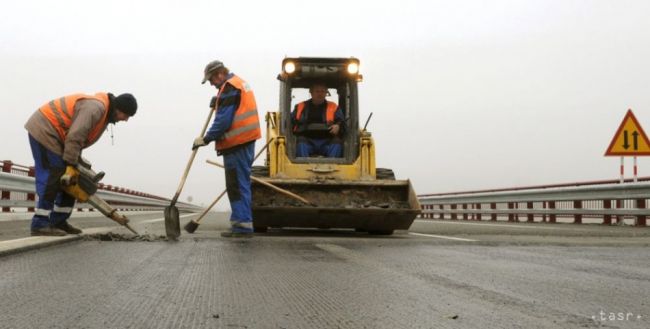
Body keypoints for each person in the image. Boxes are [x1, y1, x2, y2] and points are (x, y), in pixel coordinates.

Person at [24, 92, 137, 236]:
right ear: (119, 109)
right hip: (45, 129)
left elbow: (80, 138)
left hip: (58, 137)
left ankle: (58, 221)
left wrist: (76, 163)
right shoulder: (95, 109)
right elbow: (76, 135)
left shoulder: (105, 115)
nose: (125, 120)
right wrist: (71, 162)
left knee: (72, 179)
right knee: (55, 173)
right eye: (126, 116)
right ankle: (40, 224)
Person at [192, 60, 261, 238]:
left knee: (236, 185)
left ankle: (242, 226)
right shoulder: (236, 83)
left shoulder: (229, 87)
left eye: (211, 80)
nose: (211, 84)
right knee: (239, 184)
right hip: (244, 141)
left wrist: (206, 138)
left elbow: (223, 121)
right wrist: (218, 102)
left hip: (236, 143)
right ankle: (242, 222)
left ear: (220, 74)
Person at [291, 82, 345, 157]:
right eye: (317, 91)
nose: (320, 94)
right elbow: (291, 123)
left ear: (326, 93)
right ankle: (304, 165)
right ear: (311, 92)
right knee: (300, 141)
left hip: (327, 142)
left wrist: (338, 126)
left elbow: (342, 122)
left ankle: (332, 166)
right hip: (307, 141)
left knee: (337, 142)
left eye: (323, 91)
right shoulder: (300, 107)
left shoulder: (334, 107)